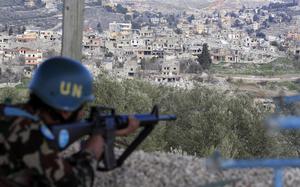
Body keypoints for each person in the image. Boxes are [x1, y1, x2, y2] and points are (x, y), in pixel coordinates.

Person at [0, 57, 139, 187]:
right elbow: (73, 182)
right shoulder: (30, 133)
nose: (82, 114)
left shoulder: (10, 115)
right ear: (66, 111)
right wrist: (92, 150)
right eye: (81, 107)